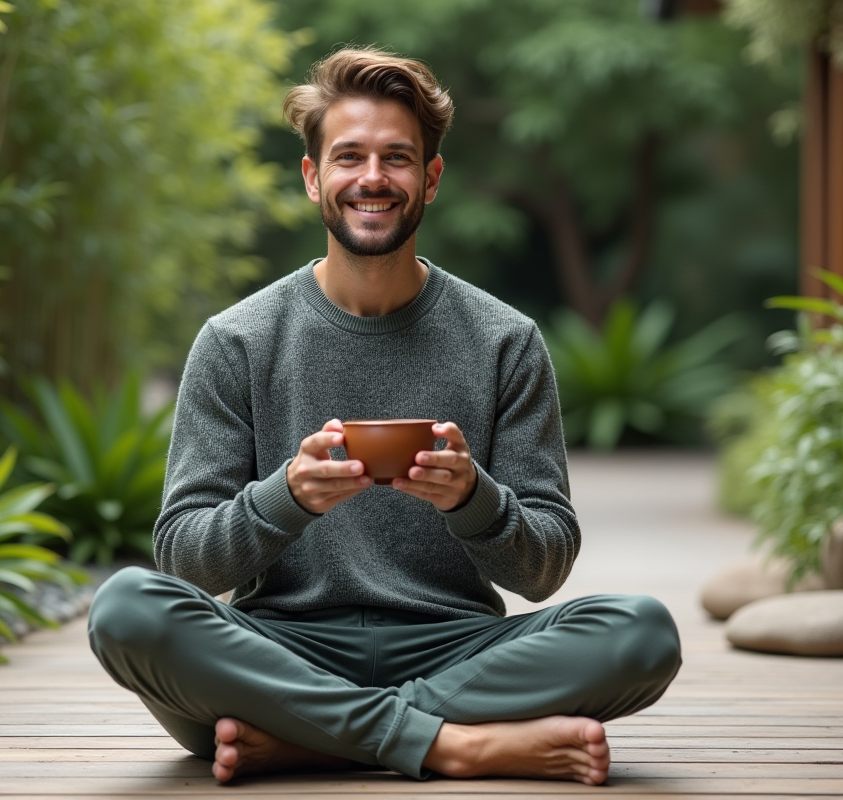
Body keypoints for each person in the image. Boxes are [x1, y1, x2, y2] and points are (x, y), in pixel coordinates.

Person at [87, 46, 681, 787]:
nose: (373, 178)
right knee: (128, 609)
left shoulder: (506, 342)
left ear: (430, 180)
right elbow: (182, 557)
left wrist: (473, 499)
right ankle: (453, 744)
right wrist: (286, 498)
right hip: (276, 653)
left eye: (397, 158)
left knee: (642, 631)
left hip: (456, 652)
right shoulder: (235, 342)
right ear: (312, 178)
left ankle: (315, 740)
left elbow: (547, 568)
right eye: (349, 157)